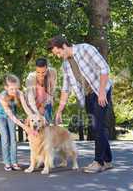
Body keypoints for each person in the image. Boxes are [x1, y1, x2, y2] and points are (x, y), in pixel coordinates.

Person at [47, 35, 113, 173]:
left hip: (101, 89)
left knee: (97, 126)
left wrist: (101, 92)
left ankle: (98, 162)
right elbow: (66, 88)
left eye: (58, 52)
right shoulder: (66, 64)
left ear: (64, 46)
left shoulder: (86, 49)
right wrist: (59, 110)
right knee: (95, 126)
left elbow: (104, 69)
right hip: (88, 94)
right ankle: (107, 161)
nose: (58, 56)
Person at [0, 74, 32, 171]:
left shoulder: (19, 93)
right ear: (6, 87)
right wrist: (24, 127)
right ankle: (7, 162)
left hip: (12, 113)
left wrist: (31, 117)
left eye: (16, 88)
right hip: (1, 115)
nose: (14, 91)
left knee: (13, 139)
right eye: (11, 89)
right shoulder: (2, 97)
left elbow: (26, 108)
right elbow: (10, 115)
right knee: (5, 138)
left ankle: (14, 162)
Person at [25, 58, 57, 123]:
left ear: (47, 69)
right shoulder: (30, 78)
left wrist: (43, 105)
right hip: (33, 105)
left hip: (46, 103)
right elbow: (30, 99)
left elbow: (51, 92)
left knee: (47, 124)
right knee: (34, 126)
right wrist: (37, 112)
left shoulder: (52, 73)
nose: (40, 75)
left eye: (43, 72)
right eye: (38, 72)